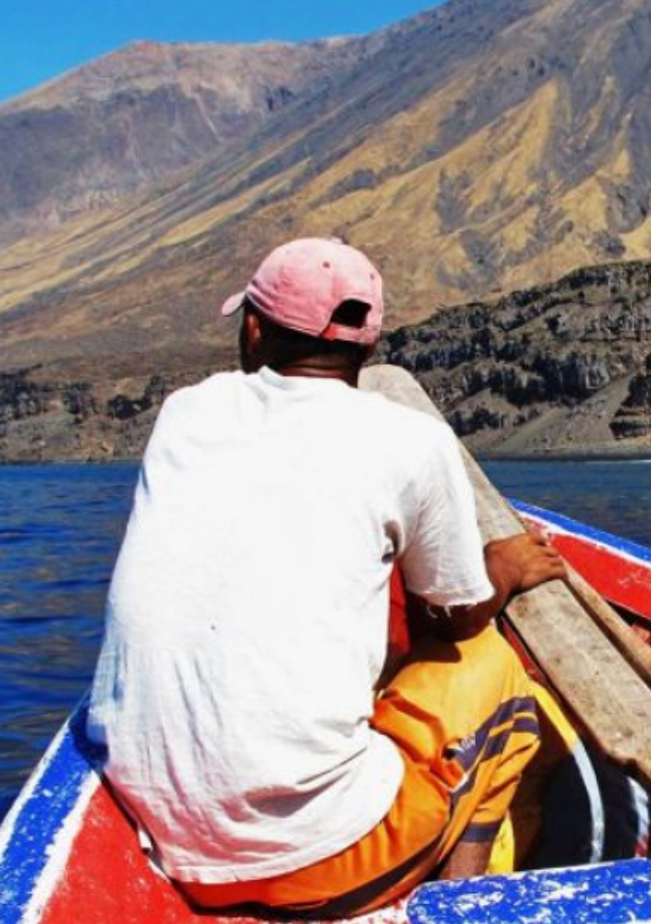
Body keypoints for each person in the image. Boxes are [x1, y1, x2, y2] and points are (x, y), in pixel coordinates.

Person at [83, 236, 568, 916]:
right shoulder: (413, 442)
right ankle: (458, 901)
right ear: (367, 349)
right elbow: (452, 615)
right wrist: (506, 569)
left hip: (164, 832)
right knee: (499, 681)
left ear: (254, 331)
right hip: (318, 861)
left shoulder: (185, 413)